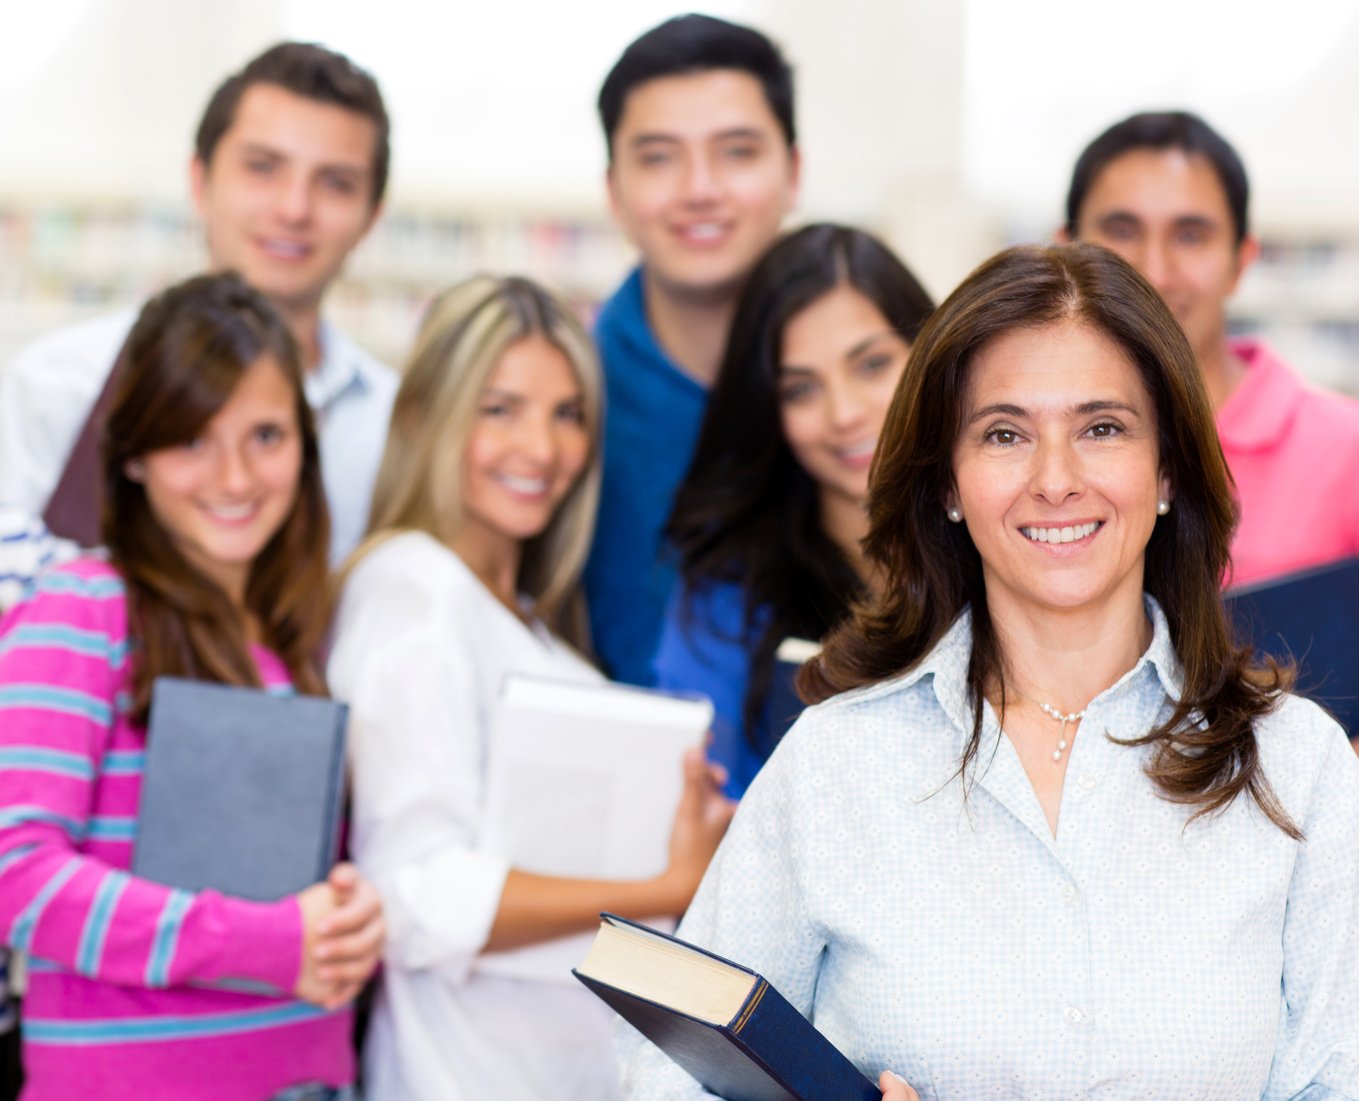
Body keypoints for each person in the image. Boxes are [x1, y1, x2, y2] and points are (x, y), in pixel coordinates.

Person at [621, 244, 1359, 1100]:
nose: (1054, 479)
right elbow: (666, 1080)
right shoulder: (834, 763)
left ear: (1165, 471)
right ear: (946, 484)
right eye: (1004, 434)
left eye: (1101, 428)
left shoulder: (1295, 769)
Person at [327, 276, 733, 1101]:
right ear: (430, 416)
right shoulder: (415, 589)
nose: (541, 449)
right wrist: (664, 884)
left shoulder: (520, 621)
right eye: (499, 408)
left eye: (566, 413)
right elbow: (417, 895)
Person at [0, 273, 385, 1101]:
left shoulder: (304, 638)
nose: (235, 477)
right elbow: (15, 875)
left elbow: (302, 893)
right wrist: (262, 943)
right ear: (133, 452)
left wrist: (351, 919)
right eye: (193, 439)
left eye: (267, 436)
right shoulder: (82, 611)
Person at [0, 41, 397, 564]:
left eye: (336, 183)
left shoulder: (396, 425)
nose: (294, 208)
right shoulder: (60, 384)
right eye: (262, 167)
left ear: (371, 216)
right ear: (200, 180)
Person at [656, 224, 933, 797]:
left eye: (872, 365)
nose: (843, 414)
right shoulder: (724, 601)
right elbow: (702, 821)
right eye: (801, 390)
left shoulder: (1006, 544)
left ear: (931, 356)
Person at [583, 14, 801, 684]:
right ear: (614, 191)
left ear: (793, 172)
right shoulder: (567, 395)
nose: (700, 188)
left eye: (736, 151)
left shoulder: (877, 386)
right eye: (657, 157)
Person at [1063, 110, 1359, 586]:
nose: (1153, 272)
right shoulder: (1021, 445)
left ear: (1241, 262)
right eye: (1121, 230)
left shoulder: (1349, 453)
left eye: (1190, 236)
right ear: (1064, 249)